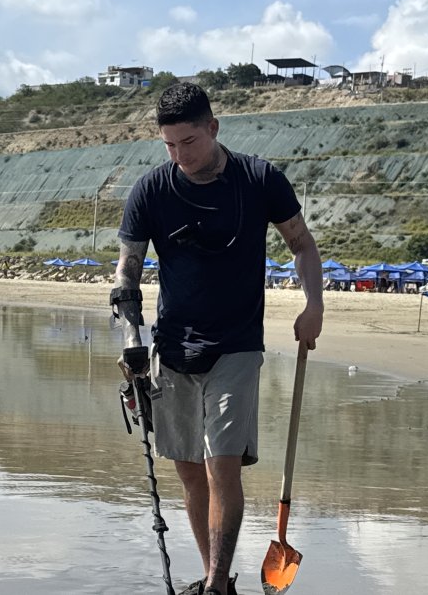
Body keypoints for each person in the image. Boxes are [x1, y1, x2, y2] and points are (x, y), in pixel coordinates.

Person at [112, 83, 323, 595]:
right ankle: (219, 579)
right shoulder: (151, 190)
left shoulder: (259, 179)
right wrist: (131, 340)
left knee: (221, 465)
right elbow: (127, 271)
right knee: (189, 472)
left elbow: (301, 244)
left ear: (213, 127)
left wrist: (313, 304)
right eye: (169, 145)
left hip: (237, 345)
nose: (179, 155)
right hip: (172, 348)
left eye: (188, 141)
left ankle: (211, 587)